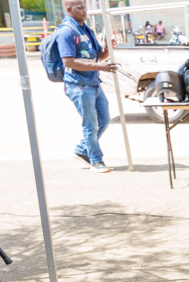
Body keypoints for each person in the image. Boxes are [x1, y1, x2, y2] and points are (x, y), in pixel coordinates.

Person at [58, 0, 118, 173]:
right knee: (91, 125)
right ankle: (96, 161)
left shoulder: (86, 29)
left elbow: (99, 55)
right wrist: (100, 67)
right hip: (79, 86)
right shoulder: (67, 31)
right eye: (80, 8)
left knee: (104, 120)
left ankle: (82, 150)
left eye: (85, 7)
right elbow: (68, 61)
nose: (85, 11)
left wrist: (108, 48)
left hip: (93, 83)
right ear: (69, 9)